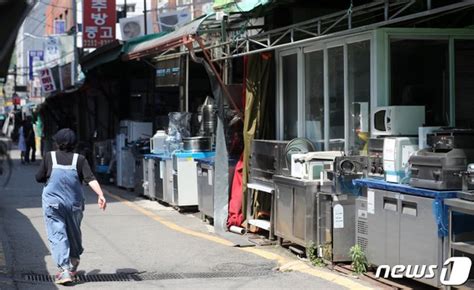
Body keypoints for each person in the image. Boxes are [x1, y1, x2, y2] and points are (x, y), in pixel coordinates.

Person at [35, 128, 107, 285]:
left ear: (57, 143)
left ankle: (64, 270)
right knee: (74, 233)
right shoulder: (79, 159)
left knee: (57, 234)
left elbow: (39, 177)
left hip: (53, 205)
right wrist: (100, 195)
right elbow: (90, 178)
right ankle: (73, 262)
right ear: (75, 144)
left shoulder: (49, 157)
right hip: (74, 205)